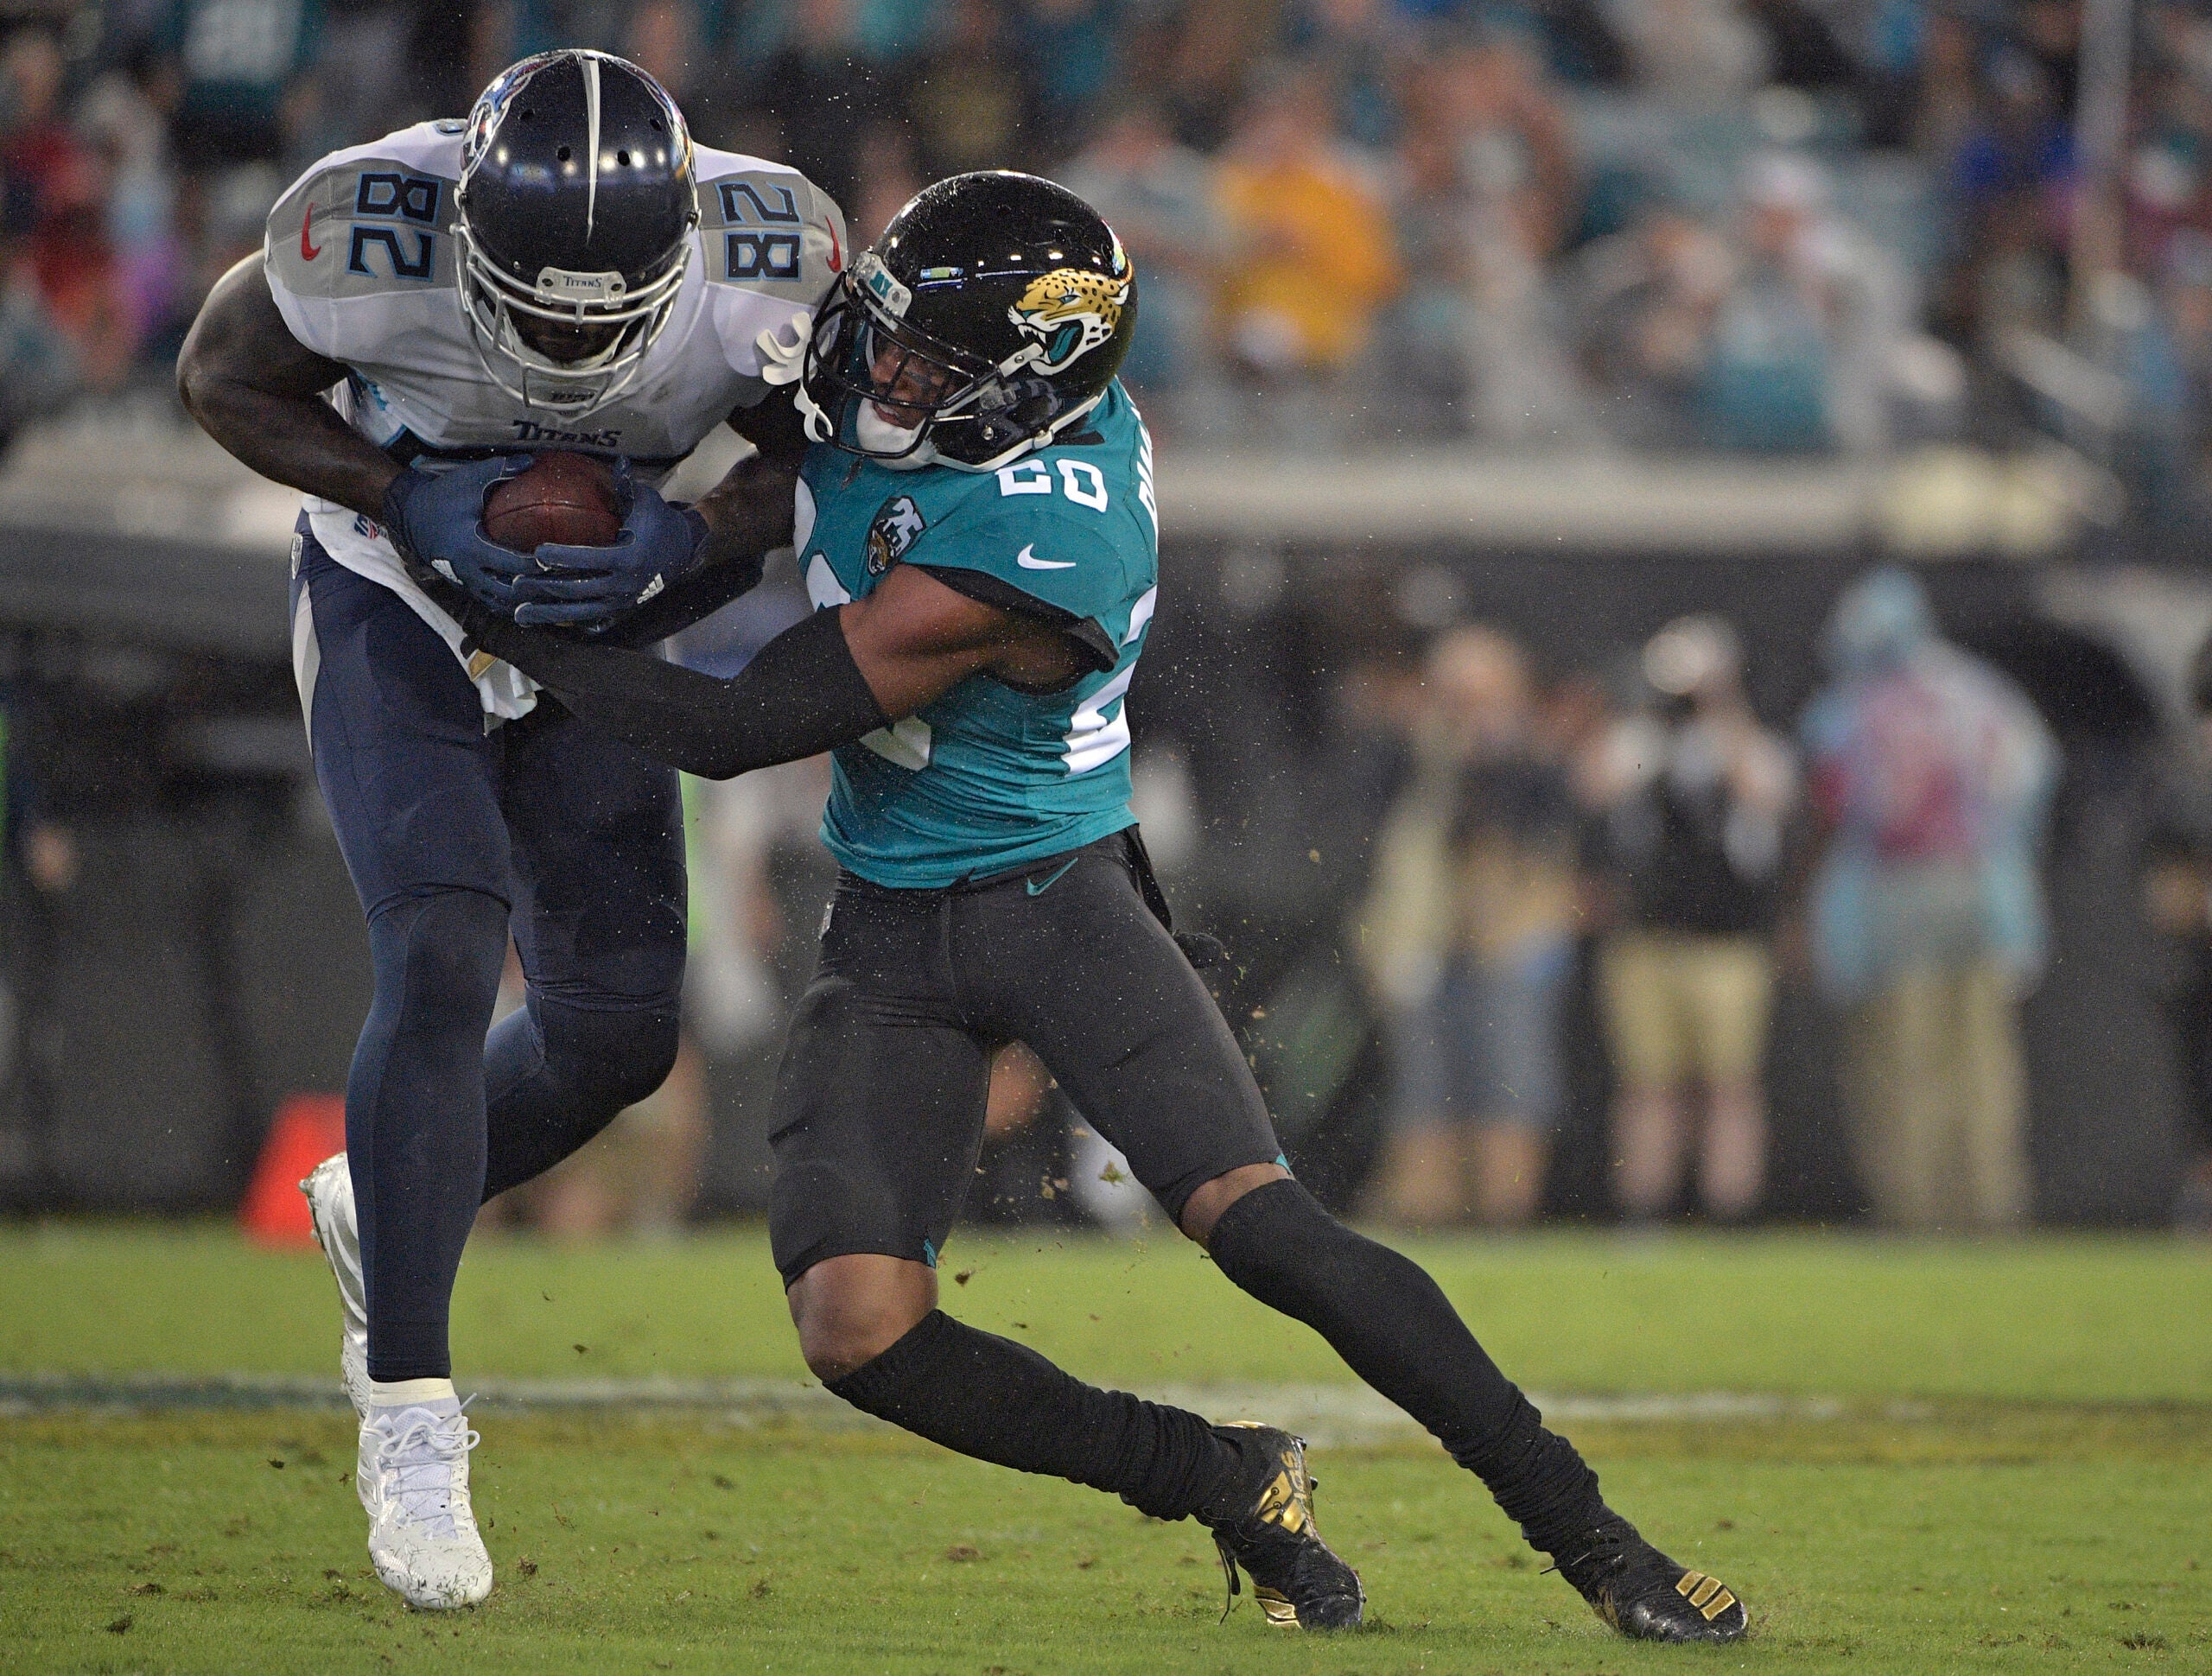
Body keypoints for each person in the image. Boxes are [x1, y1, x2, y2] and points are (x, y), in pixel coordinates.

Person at [451, 169, 1749, 1643]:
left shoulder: (1042, 535)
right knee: (856, 1327)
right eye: (887, 334)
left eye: (930, 367)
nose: (882, 373)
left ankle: (1594, 1538)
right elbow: (792, 475)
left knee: (1265, 1233)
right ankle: (1222, 1475)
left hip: (1051, 900)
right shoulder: (910, 384)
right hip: (890, 919)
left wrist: (488, 621)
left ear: (1022, 401)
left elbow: (739, 724)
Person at [175, 49, 843, 1608]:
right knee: (444, 936)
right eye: (533, 309)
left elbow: (818, 451)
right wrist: (398, 498)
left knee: (619, 1034)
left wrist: (695, 529)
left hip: (613, 604)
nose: (561, 350)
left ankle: (380, 1191)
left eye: (598, 315)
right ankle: (409, 1413)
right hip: (398, 584)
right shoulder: (370, 218)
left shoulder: (777, 252)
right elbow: (219, 377)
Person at [1801, 569, 2057, 1230]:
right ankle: (1992, 1208)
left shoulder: (1852, 706)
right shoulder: (1978, 693)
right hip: (1981, 889)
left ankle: (1917, 1215)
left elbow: (1835, 805)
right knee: (1983, 1061)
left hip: (1895, 896)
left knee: (1904, 1062)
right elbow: (2029, 778)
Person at [1357, 625, 1581, 1228]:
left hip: (1511, 951)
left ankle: (1502, 1219)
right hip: (1427, 948)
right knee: (1424, 1092)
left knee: (1511, 1087)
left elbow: (1546, 849)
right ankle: (1430, 1216)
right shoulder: (1416, 761)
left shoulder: (1533, 761)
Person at [1589, 615, 1795, 1222]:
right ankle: (1646, 1210)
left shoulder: (1750, 744)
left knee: (1729, 1085)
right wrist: (1643, 714)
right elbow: (1595, 784)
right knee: (1649, 1086)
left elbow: (1766, 794)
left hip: (1726, 944)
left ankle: (1728, 1212)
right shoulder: (1641, 741)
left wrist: (1722, 710)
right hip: (1648, 941)